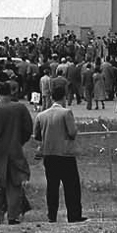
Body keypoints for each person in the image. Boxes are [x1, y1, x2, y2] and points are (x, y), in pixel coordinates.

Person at [0, 83, 34, 224]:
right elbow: (28, 129)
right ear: (11, 92)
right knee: (14, 184)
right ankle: (13, 215)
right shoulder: (20, 108)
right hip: (15, 149)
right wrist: (19, 141)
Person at [34, 85, 83, 223]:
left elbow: (37, 135)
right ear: (64, 97)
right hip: (66, 154)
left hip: (49, 155)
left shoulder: (41, 115)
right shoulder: (66, 113)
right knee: (71, 187)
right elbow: (72, 133)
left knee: (52, 186)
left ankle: (52, 215)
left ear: (51, 97)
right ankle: (74, 215)